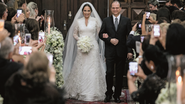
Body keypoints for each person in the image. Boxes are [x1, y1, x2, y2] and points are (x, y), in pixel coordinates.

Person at [63, 2, 106, 101]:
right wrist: (80, 40)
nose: (86, 12)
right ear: (82, 11)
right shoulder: (78, 21)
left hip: (93, 47)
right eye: (85, 11)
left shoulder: (95, 21)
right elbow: (74, 34)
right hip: (81, 47)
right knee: (81, 67)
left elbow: (100, 34)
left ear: (91, 11)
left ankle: (93, 91)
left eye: (88, 11)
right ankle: (79, 90)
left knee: (92, 67)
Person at [99, 1, 132, 103]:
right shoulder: (106, 20)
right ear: (111, 8)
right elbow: (101, 34)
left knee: (119, 74)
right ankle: (108, 94)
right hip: (109, 51)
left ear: (120, 8)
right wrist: (109, 39)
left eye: (117, 8)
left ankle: (117, 95)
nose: (115, 10)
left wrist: (129, 51)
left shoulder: (126, 20)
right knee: (109, 72)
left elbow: (130, 37)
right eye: (113, 8)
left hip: (121, 51)